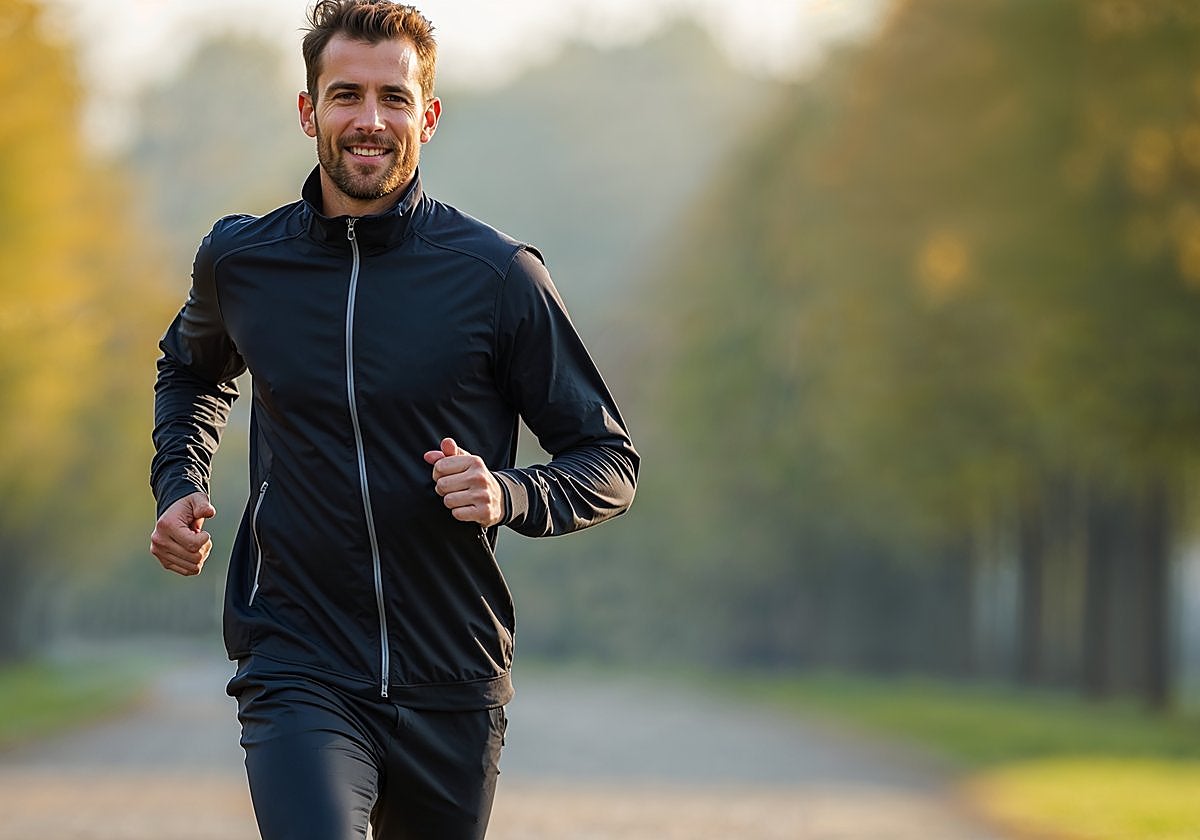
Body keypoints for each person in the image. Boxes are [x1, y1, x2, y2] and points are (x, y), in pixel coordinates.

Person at [148, 1, 639, 837]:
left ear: (428, 116)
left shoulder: (497, 276)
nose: (368, 121)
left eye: (394, 98)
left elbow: (607, 459)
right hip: (296, 660)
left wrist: (507, 493)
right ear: (309, 111)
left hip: (452, 675)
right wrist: (178, 483)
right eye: (345, 95)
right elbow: (190, 373)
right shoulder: (242, 260)